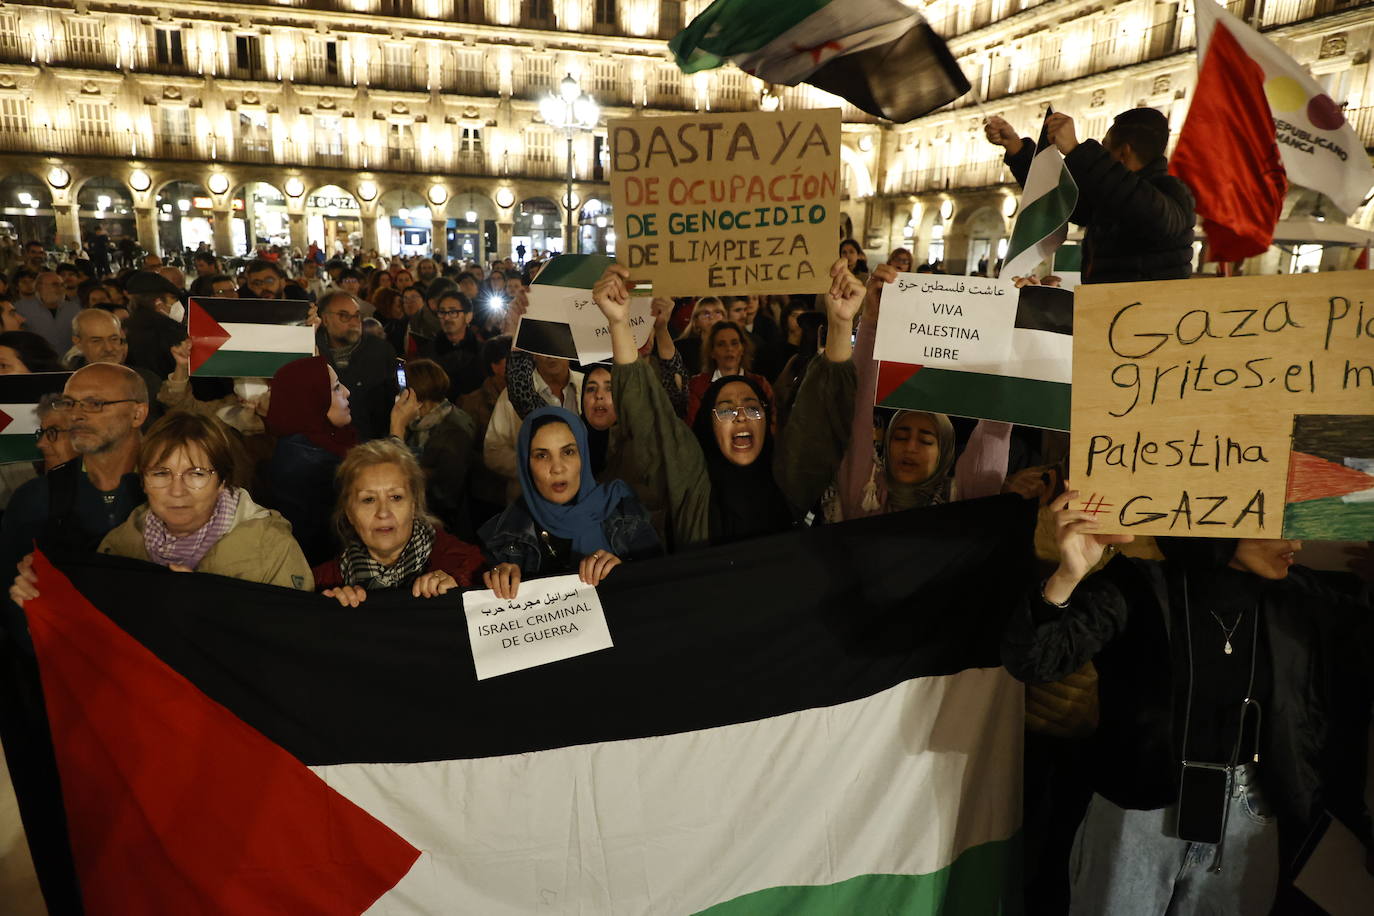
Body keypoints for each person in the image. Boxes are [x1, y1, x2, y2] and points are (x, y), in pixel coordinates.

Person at [1002, 493, 1373, 915]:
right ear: (1223, 519)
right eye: (1278, 525)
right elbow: (1035, 660)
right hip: (1140, 813)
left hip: (1248, 817)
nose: (1297, 543)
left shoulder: (1298, 599)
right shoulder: (1139, 585)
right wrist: (1067, 576)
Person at [594, 260, 860, 547]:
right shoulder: (691, 488)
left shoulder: (788, 482)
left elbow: (821, 418)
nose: (741, 416)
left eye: (752, 407)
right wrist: (619, 323)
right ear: (708, 426)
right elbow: (649, 418)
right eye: (725, 409)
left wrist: (841, 324)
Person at [91, 412, 312, 588]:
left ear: (222, 481)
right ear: (143, 482)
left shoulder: (272, 547)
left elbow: (290, 634)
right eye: (161, 473)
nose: (177, 491)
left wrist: (206, 601)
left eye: (196, 474)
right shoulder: (118, 546)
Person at [985, 108, 1195, 283]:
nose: (1102, 154)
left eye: (1105, 148)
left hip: (1148, 322)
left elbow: (1150, 213)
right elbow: (1063, 197)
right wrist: (1017, 148)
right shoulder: (1112, 197)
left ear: (1123, 153)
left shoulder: (1172, 191)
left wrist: (1078, 151)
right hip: (1104, 314)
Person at [479, 406, 660, 599]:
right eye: (542, 455)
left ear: (583, 455)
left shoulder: (622, 511)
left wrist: (624, 572)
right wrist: (495, 583)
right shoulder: (504, 534)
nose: (557, 468)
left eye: (568, 452)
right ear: (526, 465)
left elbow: (662, 584)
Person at [0, 363, 147, 571]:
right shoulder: (35, 498)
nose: (76, 415)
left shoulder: (176, 491)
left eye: (94, 403)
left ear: (137, 414)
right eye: (69, 403)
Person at [314, 438, 483, 606]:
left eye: (396, 497)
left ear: (413, 506)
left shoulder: (470, 566)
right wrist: (327, 614)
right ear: (349, 513)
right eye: (368, 500)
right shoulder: (321, 584)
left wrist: (461, 590)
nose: (383, 513)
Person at [264, 355, 356, 566]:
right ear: (312, 398)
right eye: (335, 388)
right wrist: (397, 430)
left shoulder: (322, 441)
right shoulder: (313, 462)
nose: (347, 392)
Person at [389, 359, 478, 538]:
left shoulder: (455, 430)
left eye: (405, 394)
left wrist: (396, 428)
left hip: (441, 526)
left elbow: (447, 494)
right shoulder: (415, 423)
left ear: (418, 398)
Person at [484, 353, 581, 502]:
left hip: (583, 499)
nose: (551, 355)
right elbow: (493, 451)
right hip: (529, 501)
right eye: (543, 348)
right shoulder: (513, 395)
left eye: (556, 346)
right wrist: (534, 466)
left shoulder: (588, 385)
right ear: (532, 354)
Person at [316, 290, 398, 441]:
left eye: (357, 315)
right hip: (324, 445)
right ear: (325, 319)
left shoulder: (381, 351)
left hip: (370, 445)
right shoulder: (312, 352)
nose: (354, 322)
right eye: (344, 315)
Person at [684, 320, 774, 425]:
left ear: (743, 348)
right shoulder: (697, 385)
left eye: (734, 343)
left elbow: (771, 422)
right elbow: (693, 425)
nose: (729, 349)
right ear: (712, 352)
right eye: (721, 344)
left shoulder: (760, 384)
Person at [122, 270, 188, 380]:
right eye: (173, 299)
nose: (176, 304)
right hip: (169, 391)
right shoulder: (173, 330)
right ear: (158, 302)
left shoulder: (123, 327)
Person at [430, 290, 484, 399]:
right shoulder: (428, 352)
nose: (446, 318)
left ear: (468, 316)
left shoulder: (482, 352)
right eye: (442, 312)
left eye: (453, 312)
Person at [14, 271, 79, 354]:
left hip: (68, 363)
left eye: (62, 285)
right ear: (39, 287)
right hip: (36, 363)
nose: (60, 288)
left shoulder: (74, 309)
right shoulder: (20, 309)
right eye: (55, 284)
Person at [674, 297, 726, 375]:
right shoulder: (681, 347)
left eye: (717, 312)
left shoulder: (732, 346)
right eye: (706, 313)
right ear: (696, 321)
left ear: (724, 318)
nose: (711, 317)